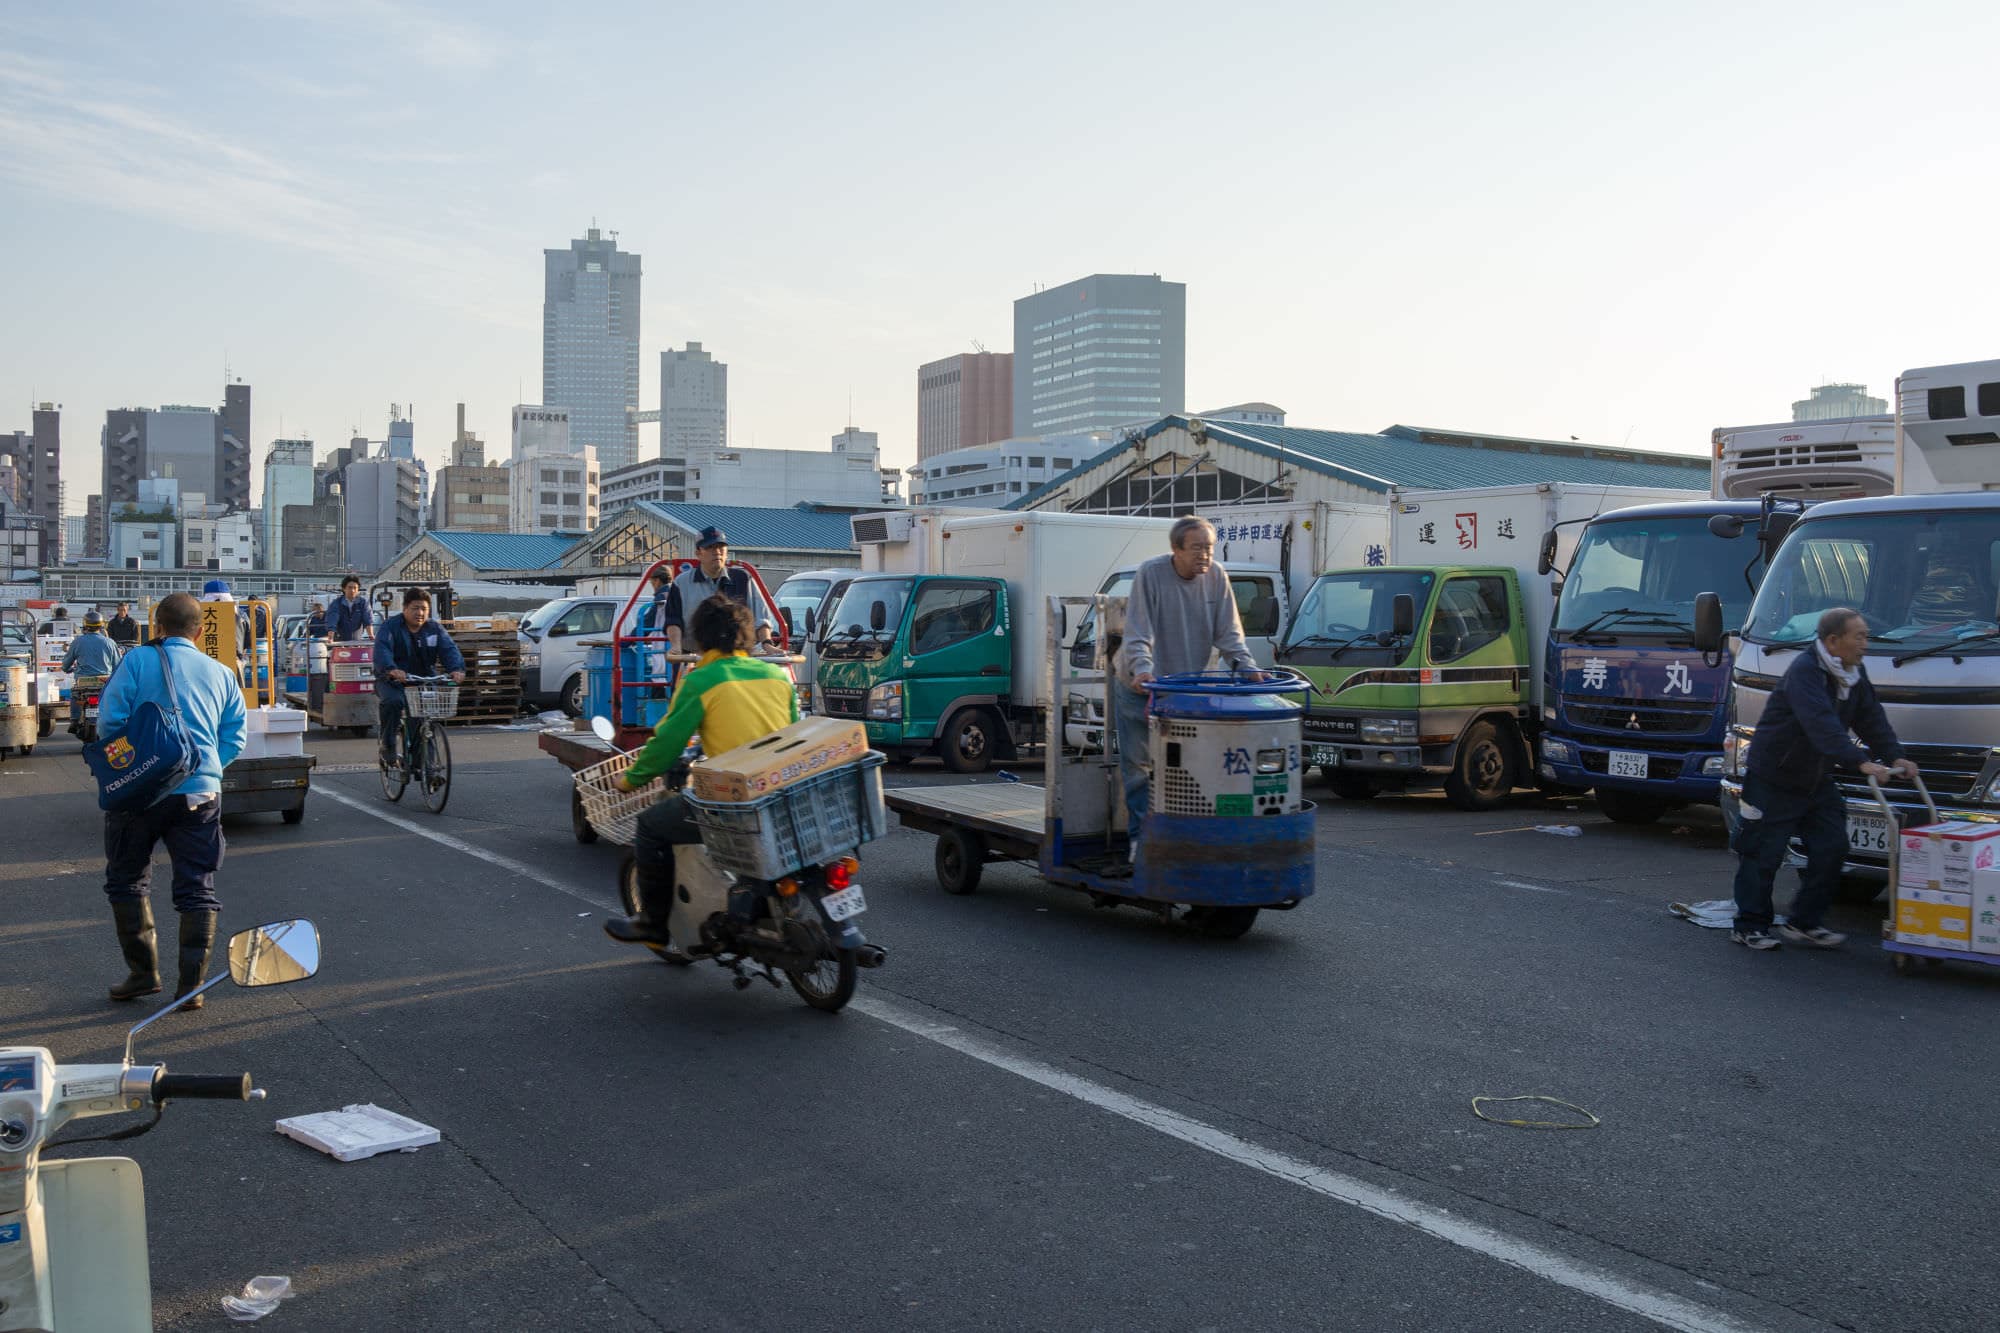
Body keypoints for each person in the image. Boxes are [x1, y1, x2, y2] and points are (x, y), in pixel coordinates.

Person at [605, 596, 798, 948]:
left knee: (650, 827)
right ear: (745, 635)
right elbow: (794, 733)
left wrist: (631, 778)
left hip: (732, 803)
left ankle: (652, 923)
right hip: (781, 795)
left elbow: (667, 743)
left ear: (702, 637)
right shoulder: (777, 676)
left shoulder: (703, 679)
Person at [1732, 606, 1917, 951]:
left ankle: (1804, 920)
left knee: (1833, 847)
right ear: (1833, 641)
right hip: (1775, 776)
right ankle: (1749, 925)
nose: (1866, 643)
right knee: (1761, 854)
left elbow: (1871, 718)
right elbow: (1821, 725)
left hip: (1814, 779)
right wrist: (1861, 762)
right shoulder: (1805, 672)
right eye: (1859, 636)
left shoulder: (1852, 672)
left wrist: (1895, 755)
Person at [98, 592, 248, 1008]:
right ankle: (191, 989)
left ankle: (142, 974)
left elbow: (109, 720)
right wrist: (203, 766)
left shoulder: (137, 661)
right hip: (200, 792)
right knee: (197, 886)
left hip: (138, 792)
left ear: (157, 627)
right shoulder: (221, 673)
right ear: (200, 632)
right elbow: (234, 736)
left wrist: (136, 764)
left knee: (127, 880)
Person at [1113, 516, 1264, 854]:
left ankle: (1183, 837)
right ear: (1175, 549)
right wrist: (1142, 670)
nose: (1205, 556)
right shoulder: (1151, 574)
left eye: (1209, 548)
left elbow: (1229, 635)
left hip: (1187, 689)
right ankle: (1140, 840)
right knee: (1139, 768)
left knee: (1187, 767)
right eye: (1197, 548)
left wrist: (1248, 668)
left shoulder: (1217, 578)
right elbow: (1139, 632)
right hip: (1142, 686)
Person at [373, 587, 466, 765]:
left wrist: (457, 669)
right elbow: (382, 650)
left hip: (421, 680)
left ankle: (427, 767)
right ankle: (388, 744)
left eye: (424, 609)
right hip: (392, 680)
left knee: (425, 719)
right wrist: (391, 669)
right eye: (415, 608)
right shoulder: (390, 627)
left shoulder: (434, 629)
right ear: (405, 608)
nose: (420, 613)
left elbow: (449, 649)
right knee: (394, 702)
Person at [660, 528, 777, 655]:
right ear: (698, 553)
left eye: (721, 548)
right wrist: (676, 647)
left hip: (738, 657)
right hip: (694, 657)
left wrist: (767, 644)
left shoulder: (744, 579)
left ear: (727, 552)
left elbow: (761, 618)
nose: (717, 552)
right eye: (710, 548)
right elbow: (673, 620)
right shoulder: (681, 583)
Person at [60, 610, 123, 734]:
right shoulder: (110, 642)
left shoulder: (78, 642)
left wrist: (67, 669)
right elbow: (118, 666)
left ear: (85, 625)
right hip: (104, 683)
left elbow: (66, 664)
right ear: (101, 626)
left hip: (83, 683)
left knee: (75, 694)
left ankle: (74, 720)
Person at [326, 576, 373, 642]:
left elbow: (367, 619)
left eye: (355, 588)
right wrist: (330, 637)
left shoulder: (363, 602)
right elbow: (332, 620)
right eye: (350, 587)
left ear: (358, 589)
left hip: (357, 636)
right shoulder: (336, 603)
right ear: (344, 589)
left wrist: (371, 635)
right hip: (340, 637)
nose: (352, 590)